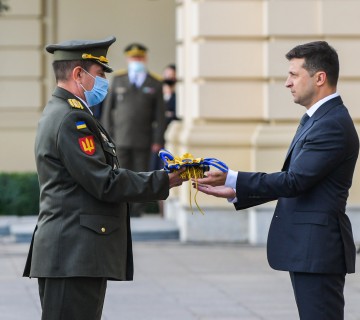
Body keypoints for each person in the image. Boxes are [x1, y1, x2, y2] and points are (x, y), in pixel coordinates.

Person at [22, 36, 185, 320]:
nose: (103, 82)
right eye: (98, 74)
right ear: (78, 74)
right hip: (72, 254)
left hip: (74, 253)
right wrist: (163, 180)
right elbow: (104, 181)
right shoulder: (71, 119)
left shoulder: (70, 113)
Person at [194, 41, 359, 320]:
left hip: (317, 249)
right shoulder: (317, 118)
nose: (287, 83)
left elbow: (295, 181)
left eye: (294, 75)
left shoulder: (331, 124)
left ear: (320, 78)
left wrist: (235, 177)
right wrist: (236, 189)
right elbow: (299, 182)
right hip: (310, 249)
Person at [101, 43, 166, 216]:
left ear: (145, 59)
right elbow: (108, 111)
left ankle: (138, 208)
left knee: (142, 174)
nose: (136, 60)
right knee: (121, 173)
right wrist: (107, 136)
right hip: (120, 138)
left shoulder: (155, 82)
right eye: (133, 58)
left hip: (144, 139)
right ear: (127, 59)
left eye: (139, 57)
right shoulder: (119, 79)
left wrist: (158, 140)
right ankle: (124, 207)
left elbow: (160, 116)